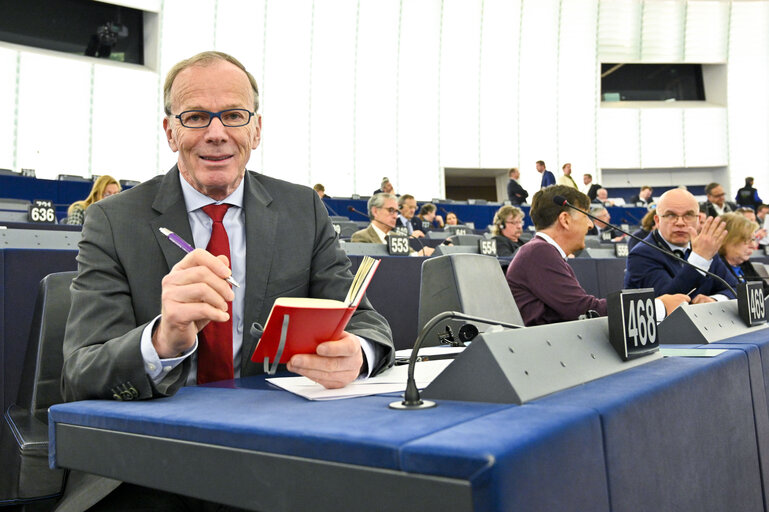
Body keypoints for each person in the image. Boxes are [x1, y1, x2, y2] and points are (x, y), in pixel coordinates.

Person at [506, 185, 688, 326]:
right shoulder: (539, 252)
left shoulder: (542, 252)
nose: (591, 225)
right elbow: (586, 312)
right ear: (565, 220)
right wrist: (658, 306)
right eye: (585, 216)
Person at [624, 188, 738, 302]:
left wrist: (714, 300)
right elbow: (666, 304)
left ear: (698, 220)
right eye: (671, 215)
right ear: (657, 220)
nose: (680, 223)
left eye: (688, 215)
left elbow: (735, 289)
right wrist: (699, 259)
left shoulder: (704, 248)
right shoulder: (641, 255)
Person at [350, 193, 433, 256]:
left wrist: (422, 254)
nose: (395, 216)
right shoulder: (361, 237)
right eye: (391, 210)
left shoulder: (397, 237)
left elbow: (411, 255)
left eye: (396, 211)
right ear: (375, 211)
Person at [718, 212, 768, 294]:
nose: (753, 245)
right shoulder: (715, 269)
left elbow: (764, 292)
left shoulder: (744, 264)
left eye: (753, 239)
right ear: (727, 239)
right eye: (747, 239)